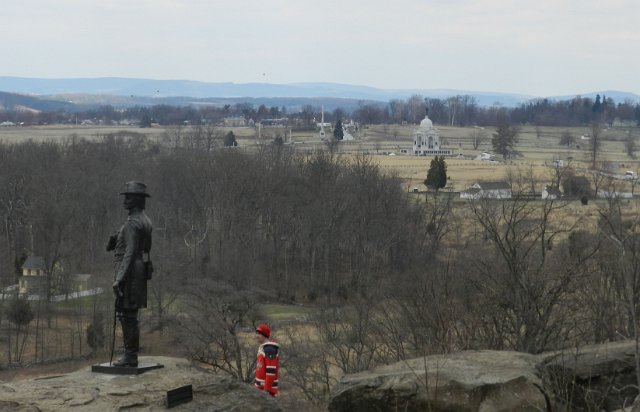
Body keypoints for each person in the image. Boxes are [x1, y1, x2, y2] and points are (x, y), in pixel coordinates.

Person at [106, 181, 153, 367]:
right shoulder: (144, 220)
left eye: (129, 196)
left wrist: (119, 278)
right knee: (129, 315)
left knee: (127, 316)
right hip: (138, 269)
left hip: (130, 272)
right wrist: (117, 238)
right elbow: (144, 248)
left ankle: (130, 356)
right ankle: (130, 354)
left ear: (138, 200)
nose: (125, 199)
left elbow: (131, 251)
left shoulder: (134, 223)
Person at [254, 324, 279, 396]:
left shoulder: (269, 349)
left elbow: (271, 373)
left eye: (259, 334)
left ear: (264, 335)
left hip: (267, 391)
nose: (257, 336)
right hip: (260, 390)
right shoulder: (263, 348)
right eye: (256, 333)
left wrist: (266, 391)